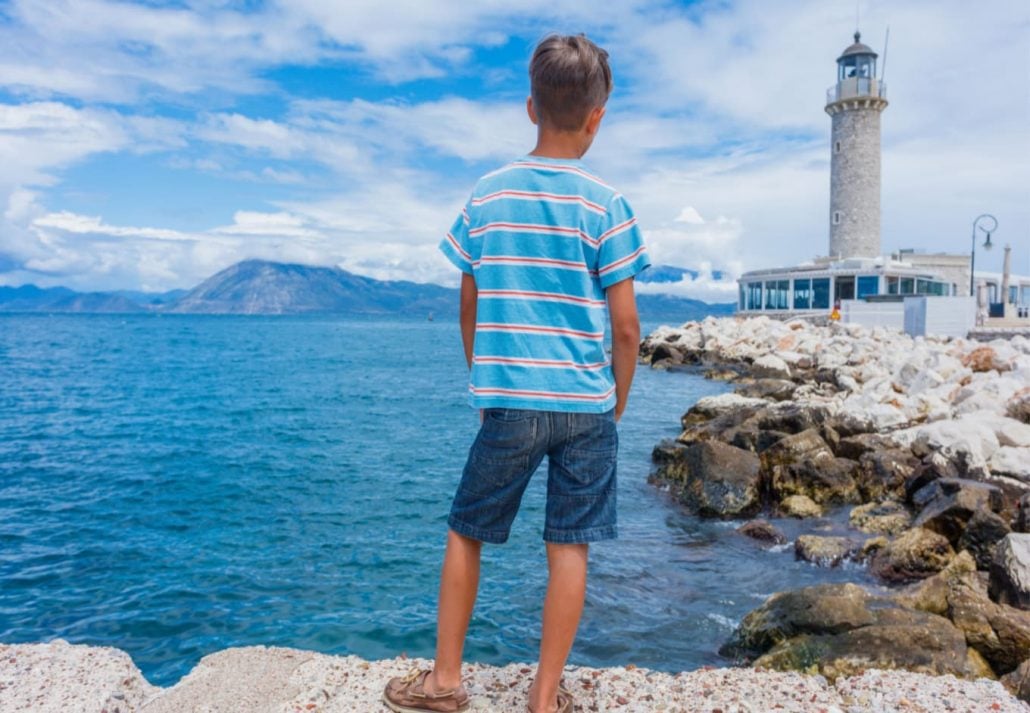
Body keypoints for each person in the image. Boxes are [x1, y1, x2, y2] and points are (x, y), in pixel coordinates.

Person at [383, 33, 650, 713]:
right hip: (587, 406)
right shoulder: (606, 204)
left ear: (530, 107)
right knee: (570, 545)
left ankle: (445, 681)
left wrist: (485, 382)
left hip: (509, 402)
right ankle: (542, 694)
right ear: (597, 116)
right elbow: (625, 327)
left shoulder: (487, 195)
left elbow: (468, 301)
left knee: (466, 530)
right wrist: (614, 401)